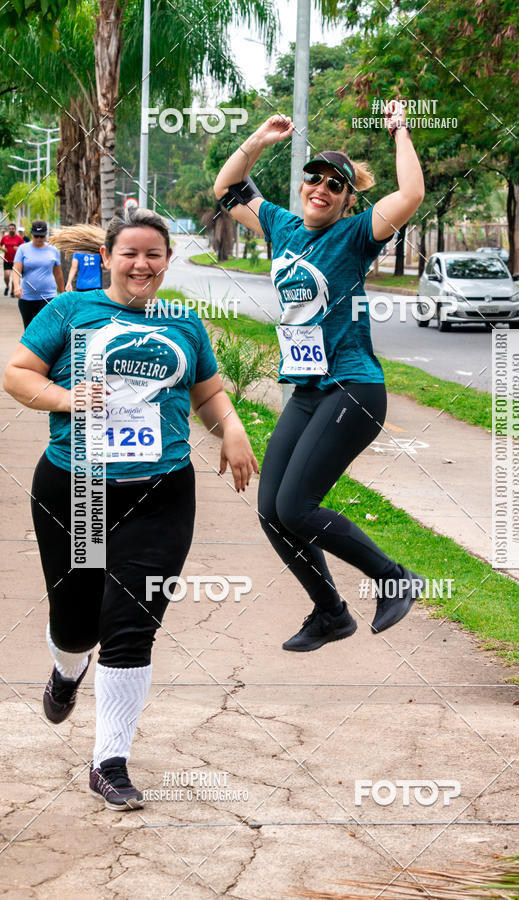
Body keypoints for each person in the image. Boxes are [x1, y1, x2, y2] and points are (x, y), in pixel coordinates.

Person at [2, 206, 258, 809]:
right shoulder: (70, 311)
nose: (141, 264)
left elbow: (207, 390)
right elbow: (17, 375)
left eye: (153, 255)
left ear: (167, 262)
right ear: (108, 258)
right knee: (77, 623)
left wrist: (233, 430)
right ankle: (67, 673)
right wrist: (66, 396)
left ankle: (109, 761)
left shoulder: (184, 322)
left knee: (132, 625)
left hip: (160, 491)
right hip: (78, 489)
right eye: (130, 254)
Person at [214, 105, 426, 652]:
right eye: (316, 178)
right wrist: (261, 137)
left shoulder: (356, 235)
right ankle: (330, 612)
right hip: (308, 392)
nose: (323, 188)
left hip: (352, 387)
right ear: (303, 184)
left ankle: (393, 577)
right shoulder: (281, 226)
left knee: (296, 507)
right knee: (271, 512)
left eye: (337, 185)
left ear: (348, 200)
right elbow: (228, 188)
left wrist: (401, 128)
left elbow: (410, 196)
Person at [12, 220, 64, 328]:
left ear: (46, 235)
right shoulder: (23, 249)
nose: (39, 239)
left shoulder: (53, 250)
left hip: (48, 296)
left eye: (41, 236)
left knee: (46, 329)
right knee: (30, 330)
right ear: (31, 234)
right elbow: (16, 270)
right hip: (27, 298)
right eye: (36, 236)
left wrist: (63, 293)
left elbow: (58, 274)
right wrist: (16, 286)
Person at [0, 222, 24, 296]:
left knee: (15, 277)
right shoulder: (5, 238)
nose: (11, 230)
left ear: (15, 229)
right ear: (8, 229)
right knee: (6, 275)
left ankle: (13, 291)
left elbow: (24, 248)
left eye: (13, 229)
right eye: (10, 229)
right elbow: (0, 245)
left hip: (16, 261)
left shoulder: (19, 238)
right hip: (7, 260)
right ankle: (7, 286)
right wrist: (3, 250)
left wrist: (18, 248)